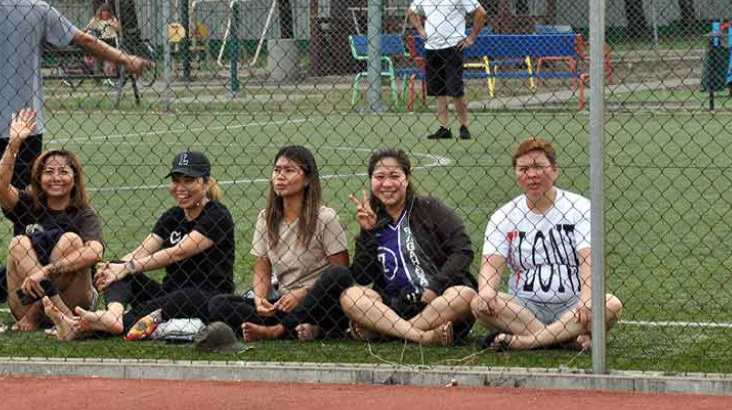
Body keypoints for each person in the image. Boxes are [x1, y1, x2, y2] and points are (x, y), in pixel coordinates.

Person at [0, 0, 146, 300]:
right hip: (26, 126)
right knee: (26, 206)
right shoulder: (37, 10)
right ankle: (23, 275)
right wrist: (125, 59)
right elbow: (84, 41)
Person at [43, 151, 235, 341]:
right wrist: (111, 268)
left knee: (180, 296)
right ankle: (114, 317)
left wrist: (128, 267)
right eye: (176, 180)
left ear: (206, 183)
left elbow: (179, 252)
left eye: (189, 180)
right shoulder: (173, 216)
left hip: (207, 297)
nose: (180, 187)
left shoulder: (217, 214)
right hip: (169, 293)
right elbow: (141, 252)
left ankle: (82, 328)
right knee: (118, 267)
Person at [471, 138, 623, 351]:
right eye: (523, 169)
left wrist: (587, 298)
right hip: (524, 308)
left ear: (554, 170)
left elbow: (589, 259)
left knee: (611, 304)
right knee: (478, 304)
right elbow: (491, 264)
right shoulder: (503, 216)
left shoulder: (579, 208)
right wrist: (486, 290)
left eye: (539, 167)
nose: (532, 175)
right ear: (516, 174)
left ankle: (528, 342)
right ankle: (565, 339)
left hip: (574, 306)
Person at [208, 145, 350, 342]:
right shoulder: (266, 218)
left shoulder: (325, 217)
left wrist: (302, 293)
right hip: (282, 303)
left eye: (289, 170)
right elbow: (262, 268)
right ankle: (298, 329)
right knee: (218, 303)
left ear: (308, 179)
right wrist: (259, 299)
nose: (280, 176)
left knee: (338, 279)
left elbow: (341, 272)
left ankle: (278, 330)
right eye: (277, 170)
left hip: (319, 301)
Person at [340, 148, 477, 346]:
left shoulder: (430, 207)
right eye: (379, 177)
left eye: (394, 176)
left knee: (465, 295)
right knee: (351, 296)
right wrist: (368, 233)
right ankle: (422, 336)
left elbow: (463, 251)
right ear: (371, 180)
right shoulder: (373, 219)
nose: (387, 184)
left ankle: (388, 333)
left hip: (436, 300)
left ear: (407, 178)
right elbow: (362, 276)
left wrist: (435, 287)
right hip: (395, 305)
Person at [0, 109, 105, 332]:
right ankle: (62, 320)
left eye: (63, 172)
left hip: (74, 301)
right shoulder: (29, 204)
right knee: (18, 243)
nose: (56, 178)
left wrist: (47, 270)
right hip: (26, 298)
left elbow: (95, 252)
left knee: (70, 241)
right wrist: (14, 144)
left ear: (74, 178)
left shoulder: (84, 212)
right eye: (49, 172)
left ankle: (48, 316)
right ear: (39, 179)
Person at [406, 0, 486, 140]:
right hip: (432, 47)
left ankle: (464, 126)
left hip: (452, 47)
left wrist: (472, 37)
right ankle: (444, 128)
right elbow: (412, 11)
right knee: (438, 90)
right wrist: (420, 29)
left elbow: (480, 12)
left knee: (455, 89)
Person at [84, 4, 121, 78]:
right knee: (97, 58)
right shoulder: (97, 19)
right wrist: (86, 31)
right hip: (101, 40)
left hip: (111, 39)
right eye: (103, 11)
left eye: (107, 12)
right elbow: (88, 27)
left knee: (110, 59)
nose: (105, 13)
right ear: (100, 12)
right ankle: (97, 74)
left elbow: (117, 28)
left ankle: (108, 75)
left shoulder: (112, 19)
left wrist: (111, 24)